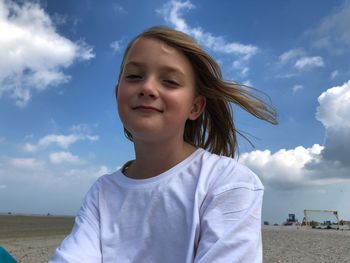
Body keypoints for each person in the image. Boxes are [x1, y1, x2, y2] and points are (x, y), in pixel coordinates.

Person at [49, 26, 277, 263]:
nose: (147, 88)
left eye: (170, 81)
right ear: (118, 94)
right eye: (134, 76)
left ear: (195, 107)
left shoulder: (228, 182)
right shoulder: (102, 192)